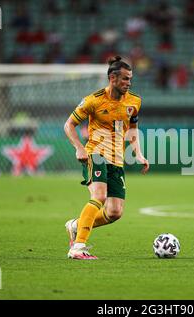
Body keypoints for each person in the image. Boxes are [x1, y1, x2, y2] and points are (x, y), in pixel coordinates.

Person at [63, 56, 149, 260]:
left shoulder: (134, 101)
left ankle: (76, 225)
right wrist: (79, 148)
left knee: (114, 212)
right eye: (125, 79)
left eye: (130, 79)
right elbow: (69, 125)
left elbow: (133, 129)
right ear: (112, 78)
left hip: (117, 160)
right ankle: (78, 247)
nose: (129, 83)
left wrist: (139, 153)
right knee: (99, 197)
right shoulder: (93, 100)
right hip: (96, 153)